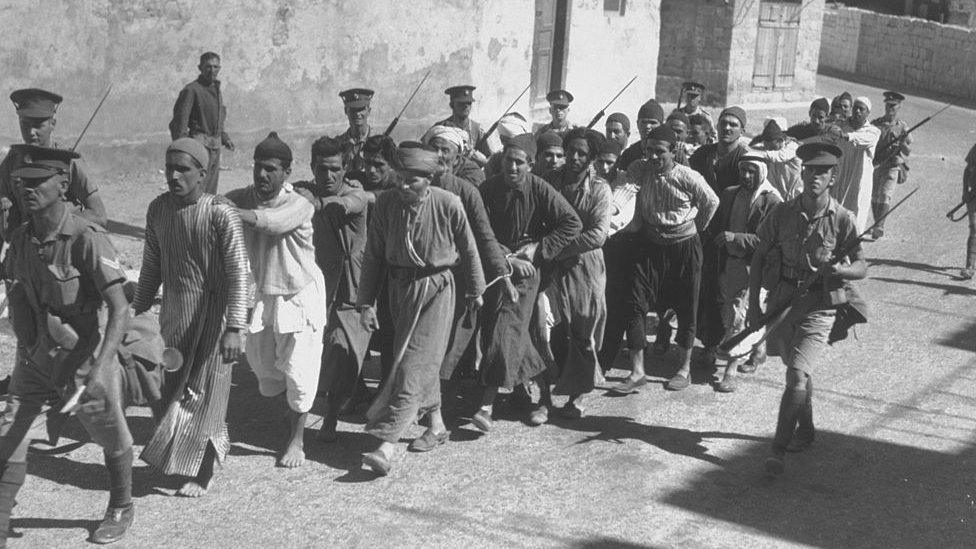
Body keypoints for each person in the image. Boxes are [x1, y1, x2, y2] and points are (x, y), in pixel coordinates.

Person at [0, 146, 134, 544]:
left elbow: (120, 309)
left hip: (84, 355)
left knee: (109, 432)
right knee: (11, 430)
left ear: (62, 184)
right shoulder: (23, 238)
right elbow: (16, 288)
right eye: (22, 182)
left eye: (38, 181)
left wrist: (100, 366)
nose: (27, 189)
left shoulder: (84, 238)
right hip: (37, 354)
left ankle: (122, 505)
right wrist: (25, 342)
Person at [356, 146, 485, 475]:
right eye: (399, 178)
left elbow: (470, 250)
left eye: (411, 181)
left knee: (412, 364)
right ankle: (438, 425)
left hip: (437, 291)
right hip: (399, 292)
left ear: (429, 180)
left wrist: (475, 291)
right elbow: (373, 256)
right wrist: (365, 301)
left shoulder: (448, 203)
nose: (402, 186)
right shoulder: (385, 204)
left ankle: (386, 446)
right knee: (419, 361)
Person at [135, 137, 248, 496]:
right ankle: (180, 458)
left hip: (213, 316)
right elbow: (151, 267)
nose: (174, 175)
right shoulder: (157, 210)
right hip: (174, 315)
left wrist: (235, 326)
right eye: (170, 167)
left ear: (203, 173)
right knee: (171, 389)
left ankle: (205, 471)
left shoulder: (220, 212)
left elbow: (238, 272)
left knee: (207, 392)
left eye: (183, 168)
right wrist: (136, 316)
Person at [749, 142, 867, 475]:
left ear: (833, 177)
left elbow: (861, 267)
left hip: (820, 305)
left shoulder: (843, 218)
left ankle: (778, 452)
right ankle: (808, 429)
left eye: (822, 172)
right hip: (784, 301)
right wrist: (752, 305)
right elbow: (759, 256)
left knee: (796, 373)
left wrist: (839, 271)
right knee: (796, 368)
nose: (814, 176)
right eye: (810, 170)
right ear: (802, 172)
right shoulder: (782, 212)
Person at [225, 132, 328, 468]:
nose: (262, 175)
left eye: (270, 169)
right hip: (264, 298)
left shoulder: (298, 203)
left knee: (300, 372)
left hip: (298, 298)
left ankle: (298, 440)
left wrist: (226, 210)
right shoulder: (245, 197)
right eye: (258, 167)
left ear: (286, 172)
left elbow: (270, 223)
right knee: (266, 370)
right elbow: (222, 203)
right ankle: (290, 418)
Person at [476, 134, 581, 430]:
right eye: (508, 160)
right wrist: (506, 257)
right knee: (508, 331)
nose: (512, 167)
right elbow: (479, 230)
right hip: (497, 265)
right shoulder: (489, 188)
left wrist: (538, 248)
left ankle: (486, 402)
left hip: (527, 271)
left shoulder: (540, 188)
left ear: (530, 165)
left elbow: (572, 223)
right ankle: (543, 396)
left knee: (506, 325)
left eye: (519, 162)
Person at [610, 125, 719, 394]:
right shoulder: (640, 168)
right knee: (634, 302)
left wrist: (694, 228)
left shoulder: (687, 176)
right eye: (649, 151)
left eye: (660, 152)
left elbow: (711, 201)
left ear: (673, 151)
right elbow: (627, 189)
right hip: (649, 245)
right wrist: (611, 209)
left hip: (683, 247)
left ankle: (684, 369)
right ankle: (637, 372)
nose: (654, 157)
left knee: (687, 306)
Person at [291, 136, 372, 443]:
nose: (328, 176)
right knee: (317, 352)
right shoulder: (303, 191)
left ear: (345, 168)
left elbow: (348, 204)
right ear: (313, 167)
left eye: (335, 169)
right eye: (322, 169)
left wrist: (318, 204)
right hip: (315, 289)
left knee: (340, 349)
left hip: (351, 288)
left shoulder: (354, 192)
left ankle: (332, 417)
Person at [544, 129, 612, 418]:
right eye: (571, 150)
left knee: (583, 328)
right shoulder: (551, 182)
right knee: (553, 326)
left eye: (582, 153)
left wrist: (560, 249)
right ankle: (546, 394)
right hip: (553, 264)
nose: (573, 157)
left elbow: (598, 234)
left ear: (592, 158)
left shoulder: (599, 189)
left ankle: (578, 395)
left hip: (585, 263)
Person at [708, 153, 782, 392]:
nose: (746, 176)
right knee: (729, 309)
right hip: (731, 263)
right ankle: (758, 349)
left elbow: (767, 240)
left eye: (752, 171)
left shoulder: (771, 201)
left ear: (761, 171)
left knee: (739, 314)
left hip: (755, 266)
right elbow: (718, 224)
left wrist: (736, 237)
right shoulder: (730, 194)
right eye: (743, 171)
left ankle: (730, 371)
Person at [0, 88, 106, 242]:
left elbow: (99, 215)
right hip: (28, 251)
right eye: (25, 124)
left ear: (52, 124)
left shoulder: (68, 161)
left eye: (38, 125)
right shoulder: (11, 163)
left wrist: (57, 224)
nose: (31, 132)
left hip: (65, 248)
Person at [689, 106, 751, 368]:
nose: (727, 128)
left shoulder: (744, 158)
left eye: (733, 125)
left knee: (727, 293)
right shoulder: (704, 154)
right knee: (703, 288)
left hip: (730, 230)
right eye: (724, 123)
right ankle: (710, 343)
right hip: (703, 229)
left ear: (742, 130)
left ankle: (737, 347)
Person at [169, 52, 235, 194]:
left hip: (215, 149)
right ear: (200, 68)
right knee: (195, 187)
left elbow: (218, 118)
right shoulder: (191, 90)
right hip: (199, 147)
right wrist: (184, 149)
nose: (212, 71)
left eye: (216, 67)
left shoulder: (216, 89)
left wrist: (224, 137)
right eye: (208, 67)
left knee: (210, 189)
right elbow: (179, 123)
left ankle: (206, 215)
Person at [827, 96, 881, 232]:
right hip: (841, 176)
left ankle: (851, 246)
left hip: (859, 181)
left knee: (856, 213)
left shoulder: (873, 131)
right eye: (855, 108)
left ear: (867, 113)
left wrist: (847, 136)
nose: (857, 111)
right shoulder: (842, 125)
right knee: (835, 209)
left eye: (861, 109)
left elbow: (862, 140)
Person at [870, 91, 911, 240]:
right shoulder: (876, 124)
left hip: (893, 166)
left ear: (899, 107)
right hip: (877, 166)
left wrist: (901, 142)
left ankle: (880, 226)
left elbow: (907, 151)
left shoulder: (903, 127)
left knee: (885, 195)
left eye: (893, 106)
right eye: (888, 105)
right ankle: (877, 224)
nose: (890, 108)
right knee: (874, 196)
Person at [749, 117, 803, 200]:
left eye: (771, 146)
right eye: (765, 144)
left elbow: (776, 156)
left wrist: (752, 151)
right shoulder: (768, 148)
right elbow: (757, 148)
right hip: (779, 196)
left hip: (796, 194)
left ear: (780, 140)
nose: (768, 148)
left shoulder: (792, 147)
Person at [434, 85, 490, 165]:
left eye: (469, 103)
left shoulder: (477, 129)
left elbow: (490, 158)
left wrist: (481, 160)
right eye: (461, 103)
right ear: (451, 105)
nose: (466, 106)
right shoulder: (440, 129)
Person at [617, 99, 665, 171]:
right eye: (644, 122)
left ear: (661, 125)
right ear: (637, 124)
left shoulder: (672, 153)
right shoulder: (629, 154)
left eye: (653, 122)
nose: (647, 126)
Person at [337, 88, 375, 172]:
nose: (357, 114)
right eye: (353, 110)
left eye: (361, 109)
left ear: (369, 111)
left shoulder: (380, 141)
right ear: (346, 111)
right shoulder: (338, 144)